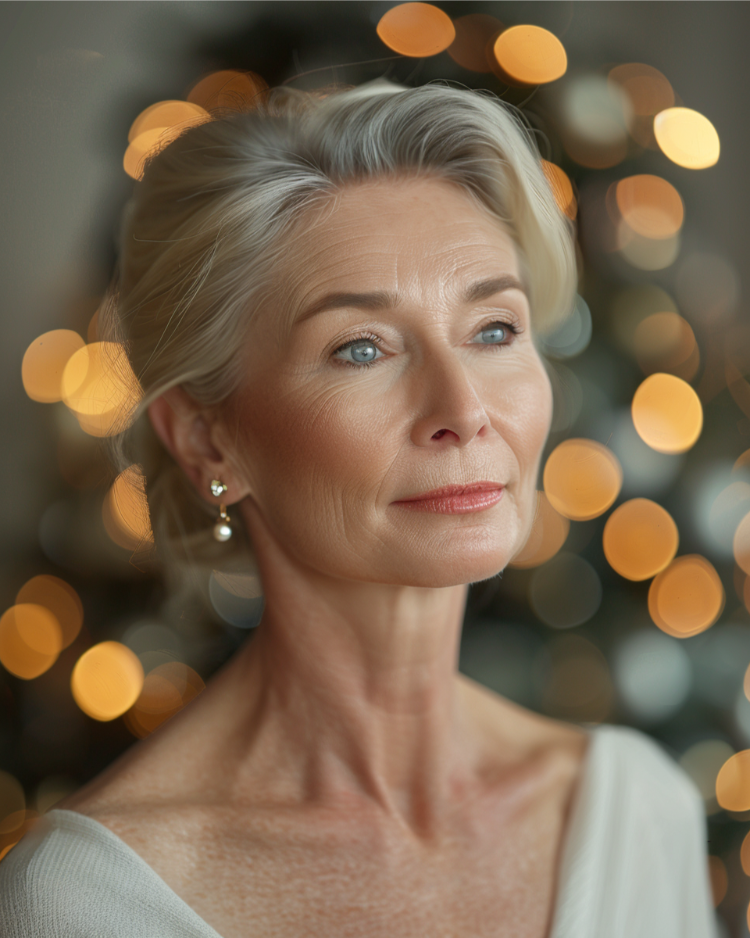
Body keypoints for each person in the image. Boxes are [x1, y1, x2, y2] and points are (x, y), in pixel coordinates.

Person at [0, 80, 717, 937]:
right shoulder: (88, 903)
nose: (463, 408)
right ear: (207, 441)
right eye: (361, 348)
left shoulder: (638, 809)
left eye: (494, 329)